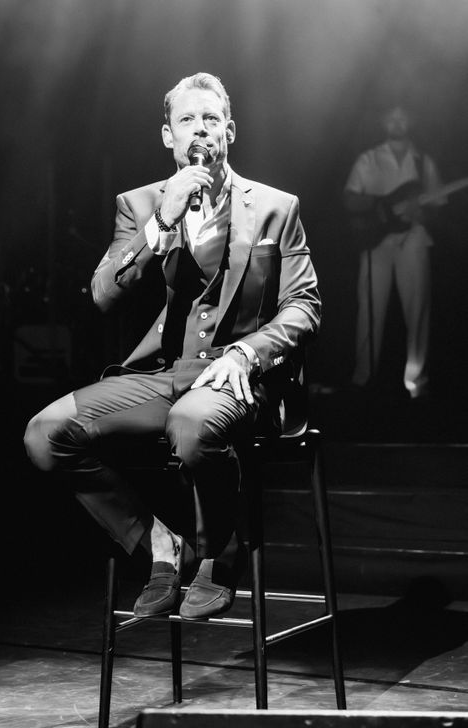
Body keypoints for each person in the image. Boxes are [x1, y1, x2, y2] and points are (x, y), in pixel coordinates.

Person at [23, 72, 321, 620]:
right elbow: (104, 294)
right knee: (45, 435)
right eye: (187, 119)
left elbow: (304, 305)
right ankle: (160, 544)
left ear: (229, 130)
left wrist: (246, 354)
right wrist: (162, 221)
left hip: (238, 378)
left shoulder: (276, 207)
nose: (199, 129)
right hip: (163, 375)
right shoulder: (139, 205)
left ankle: (220, 552)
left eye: (210, 119)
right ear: (169, 136)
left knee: (191, 424)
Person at [343, 103, 443, 400]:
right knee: (369, 308)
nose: (397, 123)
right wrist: (382, 205)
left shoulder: (423, 162)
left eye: (403, 118)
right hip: (376, 241)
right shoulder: (369, 158)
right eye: (392, 118)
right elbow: (349, 198)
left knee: (417, 308)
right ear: (384, 121)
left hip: (414, 239)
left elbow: (437, 207)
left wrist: (423, 214)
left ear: (411, 121)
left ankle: (417, 384)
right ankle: (363, 378)